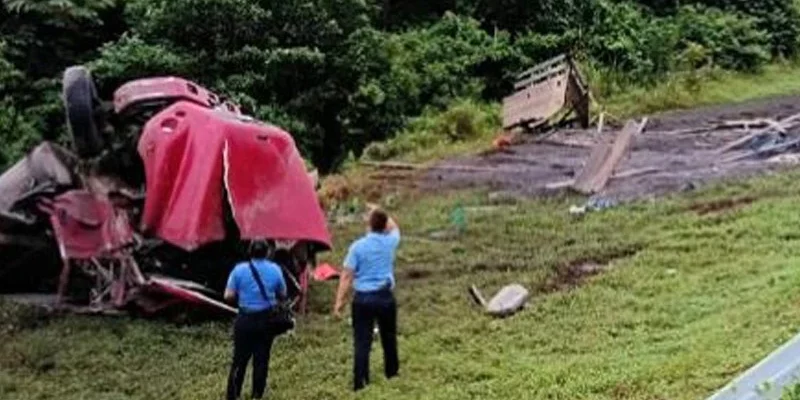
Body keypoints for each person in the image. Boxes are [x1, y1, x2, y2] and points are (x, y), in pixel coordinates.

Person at [333, 205, 401, 391]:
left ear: (369, 224)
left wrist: (340, 301)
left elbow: (347, 276)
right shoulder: (390, 242)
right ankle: (392, 373)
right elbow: (394, 227)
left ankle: (360, 381)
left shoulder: (357, 247)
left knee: (362, 341)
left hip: (363, 299)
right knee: (389, 337)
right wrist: (380, 211)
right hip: (385, 297)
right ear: (384, 225)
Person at [224, 240, 288, 400]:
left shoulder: (239, 270)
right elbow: (283, 294)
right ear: (267, 252)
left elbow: (228, 296)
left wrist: (243, 295)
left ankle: (233, 395)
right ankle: (257, 395)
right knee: (262, 359)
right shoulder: (275, 269)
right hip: (267, 320)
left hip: (245, 319)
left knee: (239, 359)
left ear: (249, 252)